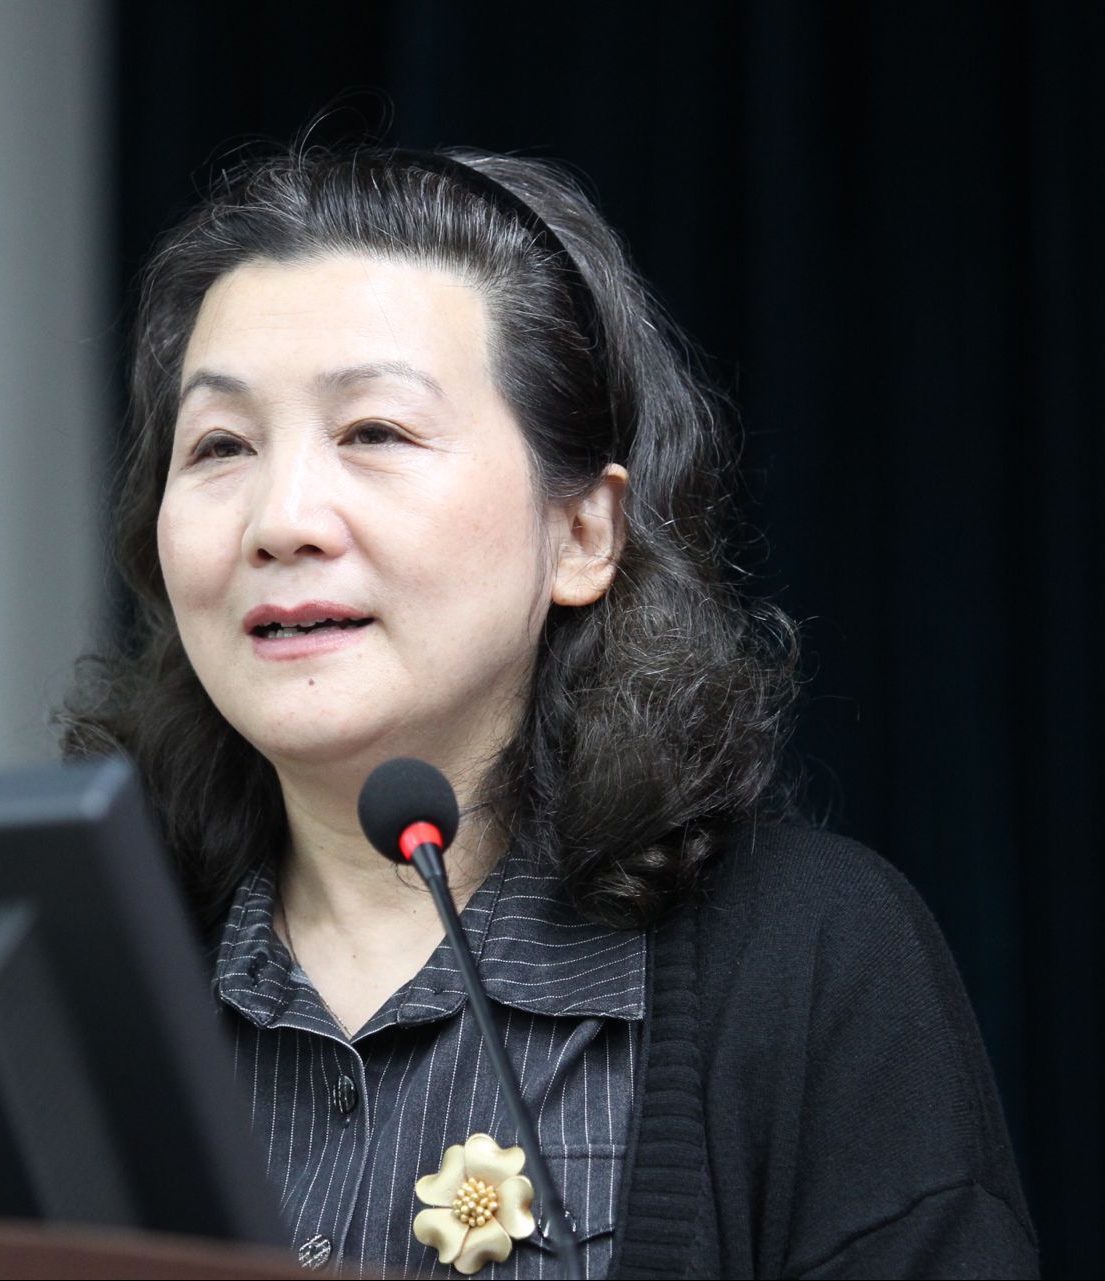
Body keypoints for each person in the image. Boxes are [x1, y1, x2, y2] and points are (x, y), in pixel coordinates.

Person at [61, 142, 1039, 1279]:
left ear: (582, 533)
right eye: (221, 446)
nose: (282, 520)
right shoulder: (82, 996)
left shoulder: (813, 961)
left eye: (374, 432)